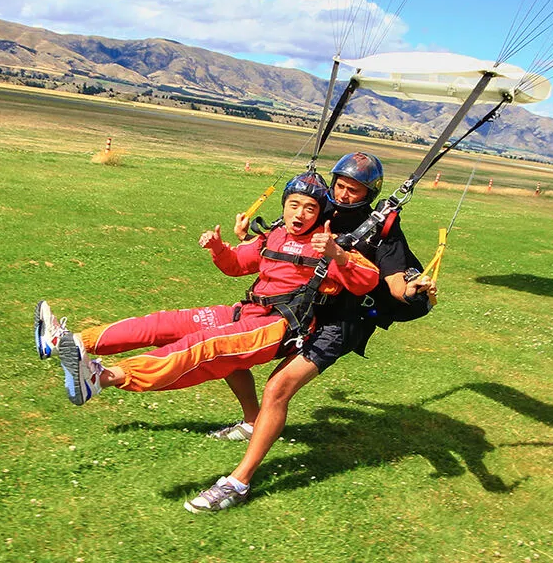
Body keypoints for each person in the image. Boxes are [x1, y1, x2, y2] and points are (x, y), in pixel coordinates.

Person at [184, 152, 437, 513]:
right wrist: (246, 237)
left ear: (370, 192)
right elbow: (281, 233)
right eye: (341, 185)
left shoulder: (383, 228)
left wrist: (415, 290)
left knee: (278, 387)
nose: (345, 194)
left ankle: (238, 482)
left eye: (354, 189)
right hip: (300, 311)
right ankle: (253, 421)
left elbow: (396, 284)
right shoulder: (323, 209)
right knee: (232, 350)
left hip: (343, 322)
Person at [34, 171, 379, 408]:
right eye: (294, 205)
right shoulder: (273, 236)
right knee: (165, 323)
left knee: (202, 346)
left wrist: (338, 255)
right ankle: (70, 342)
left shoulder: (326, 245)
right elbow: (236, 265)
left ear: (319, 213)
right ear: (285, 205)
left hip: (277, 327)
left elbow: (368, 279)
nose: (300, 213)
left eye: (310, 208)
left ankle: (100, 378)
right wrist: (218, 247)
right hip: (246, 311)